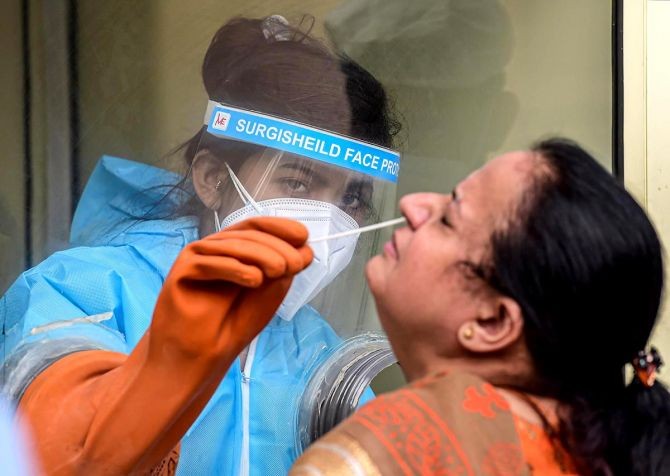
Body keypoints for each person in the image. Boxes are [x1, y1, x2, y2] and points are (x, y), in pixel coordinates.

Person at [0, 16, 400, 475]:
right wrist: (169, 363)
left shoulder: (319, 351)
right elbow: (54, 449)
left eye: (352, 197)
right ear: (212, 179)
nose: (329, 221)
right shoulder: (81, 292)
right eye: (299, 182)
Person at [291, 138, 670, 475]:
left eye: (448, 218)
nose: (412, 204)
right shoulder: (595, 455)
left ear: (492, 322)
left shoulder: (400, 446)